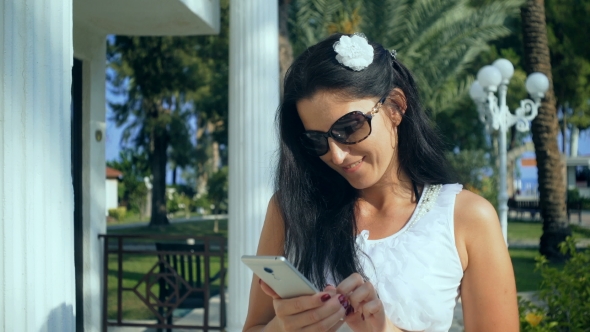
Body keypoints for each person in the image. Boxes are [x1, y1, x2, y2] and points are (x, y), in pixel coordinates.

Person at [243, 33, 518, 332]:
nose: (336, 155)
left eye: (348, 127)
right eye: (316, 140)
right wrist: (282, 327)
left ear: (396, 107)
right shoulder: (290, 209)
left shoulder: (466, 218)